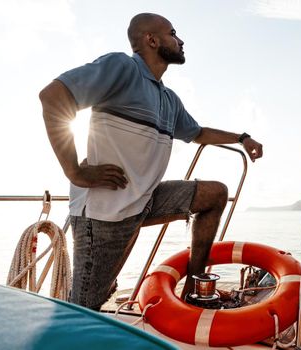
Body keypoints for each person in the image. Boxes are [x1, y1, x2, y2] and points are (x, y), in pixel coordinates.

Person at [39, 13, 263, 310]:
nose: (180, 40)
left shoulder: (168, 99)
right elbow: (53, 96)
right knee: (83, 309)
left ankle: (194, 290)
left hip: (147, 199)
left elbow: (197, 133)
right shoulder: (122, 67)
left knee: (215, 194)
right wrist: (75, 171)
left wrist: (242, 137)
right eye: (173, 33)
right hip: (105, 214)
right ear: (152, 40)